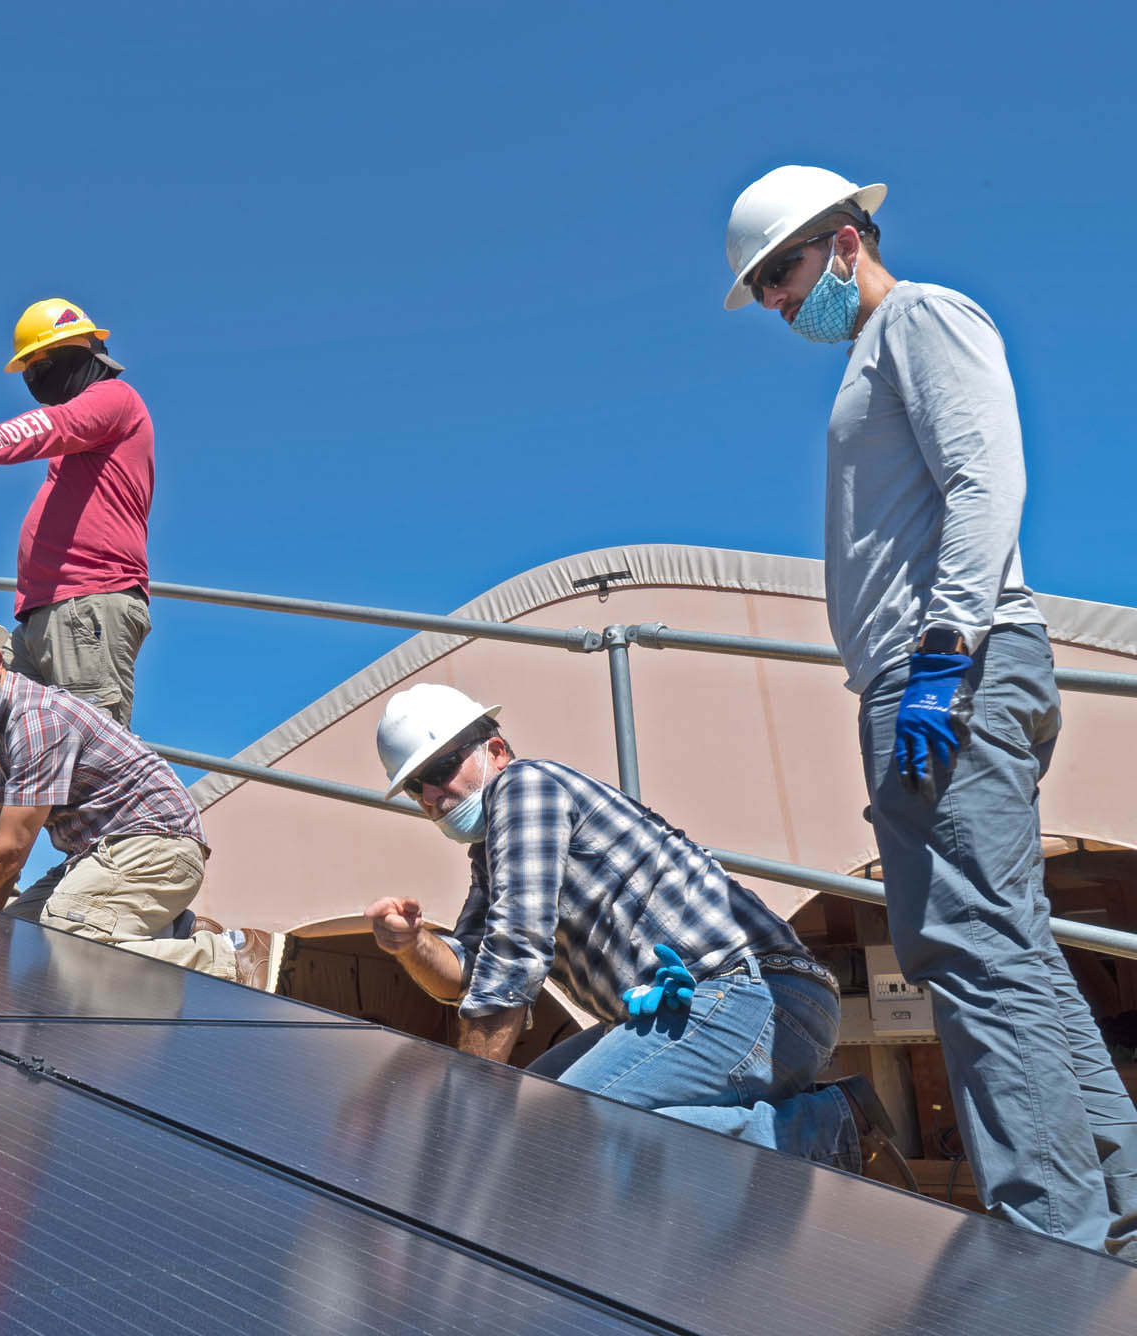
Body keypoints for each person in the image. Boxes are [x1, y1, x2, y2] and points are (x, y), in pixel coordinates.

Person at [721, 165, 1137, 1253]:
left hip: (945, 669)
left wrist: (945, 652)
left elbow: (985, 478)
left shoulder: (920, 317)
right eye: (760, 289)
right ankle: (1119, 1216)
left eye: (779, 272)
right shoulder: (871, 350)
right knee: (1008, 947)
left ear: (844, 239)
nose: (774, 300)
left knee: (967, 949)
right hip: (932, 671)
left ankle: (1049, 1244)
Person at [364, 684, 886, 1171]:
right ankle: (777, 1149)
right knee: (531, 1131)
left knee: (557, 1125)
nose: (431, 794)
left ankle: (823, 1130)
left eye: (443, 768)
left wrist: (469, 1108)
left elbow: (514, 957)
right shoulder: (491, 855)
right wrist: (412, 944)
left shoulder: (525, 788)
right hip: (709, 1006)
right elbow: (467, 977)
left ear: (496, 751)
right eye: (414, 786)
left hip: (757, 996)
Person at [0, 299, 154, 881]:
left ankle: (105, 885)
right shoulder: (80, 443)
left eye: (45, 362)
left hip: (88, 609)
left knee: (90, 755)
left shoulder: (114, 400)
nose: (38, 378)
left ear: (87, 350)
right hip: (40, 617)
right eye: (30, 368)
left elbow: (47, 427)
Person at [0, 593, 261, 985]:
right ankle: (176, 934)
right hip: (103, 853)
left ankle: (232, 958)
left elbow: (10, 854)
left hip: (157, 844)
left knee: (67, 935)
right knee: (17, 937)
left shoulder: (35, 720)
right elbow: (0, 857)